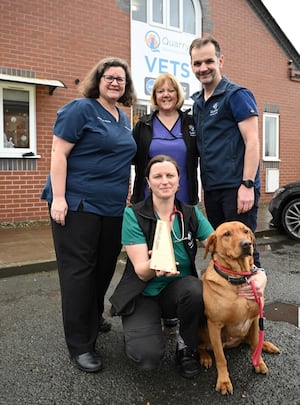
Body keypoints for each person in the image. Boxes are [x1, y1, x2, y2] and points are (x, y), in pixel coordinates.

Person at [41, 57, 137, 373]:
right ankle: (81, 345)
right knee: (78, 274)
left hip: (111, 208)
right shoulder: (80, 109)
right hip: (78, 203)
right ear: (98, 79)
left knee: (103, 267)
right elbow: (59, 152)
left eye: (120, 79)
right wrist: (59, 197)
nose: (115, 82)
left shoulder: (123, 117)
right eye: (109, 77)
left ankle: (93, 317)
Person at [110, 155, 214, 379]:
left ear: (179, 181)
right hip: (144, 291)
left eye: (170, 175)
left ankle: (185, 346)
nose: (164, 181)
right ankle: (143, 327)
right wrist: (155, 265)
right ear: (148, 181)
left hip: (178, 290)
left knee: (196, 288)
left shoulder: (191, 213)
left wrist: (253, 272)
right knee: (146, 358)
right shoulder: (133, 214)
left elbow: (219, 246)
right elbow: (141, 270)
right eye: (157, 176)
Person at [189, 35, 263, 268]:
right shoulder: (199, 103)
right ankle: (227, 303)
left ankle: (254, 301)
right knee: (224, 252)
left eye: (208, 61)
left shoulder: (237, 95)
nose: (203, 68)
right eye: (197, 63)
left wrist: (248, 185)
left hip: (237, 188)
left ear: (220, 61)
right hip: (213, 190)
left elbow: (252, 141)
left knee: (245, 251)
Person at [131, 73, 199, 205]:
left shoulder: (190, 123)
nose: (165, 95)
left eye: (171, 91)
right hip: (149, 198)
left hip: (184, 197)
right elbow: (130, 157)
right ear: (155, 96)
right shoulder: (143, 125)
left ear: (178, 94)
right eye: (160, 91)